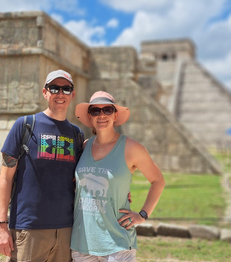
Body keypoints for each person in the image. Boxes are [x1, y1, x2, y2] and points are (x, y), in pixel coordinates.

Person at [0, 69, 83, 262]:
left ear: (73, 95)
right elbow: (5, 177)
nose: (60, 94)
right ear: (45, 92)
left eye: (66, 89)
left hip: (67, 230)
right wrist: (1, 225)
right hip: (29, 229)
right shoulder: (25, 125)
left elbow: (86, 176)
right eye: (54, 88)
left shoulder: (77, 134)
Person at [71, 91, 165, 261]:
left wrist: (143, 215)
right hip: (82, 242)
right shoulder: (84, 146)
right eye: (95, 111)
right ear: (90, 116)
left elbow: (158, 180)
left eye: (107, 110)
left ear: (115, 115)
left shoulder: (131, 148)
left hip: (117, 244)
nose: (101, 115)